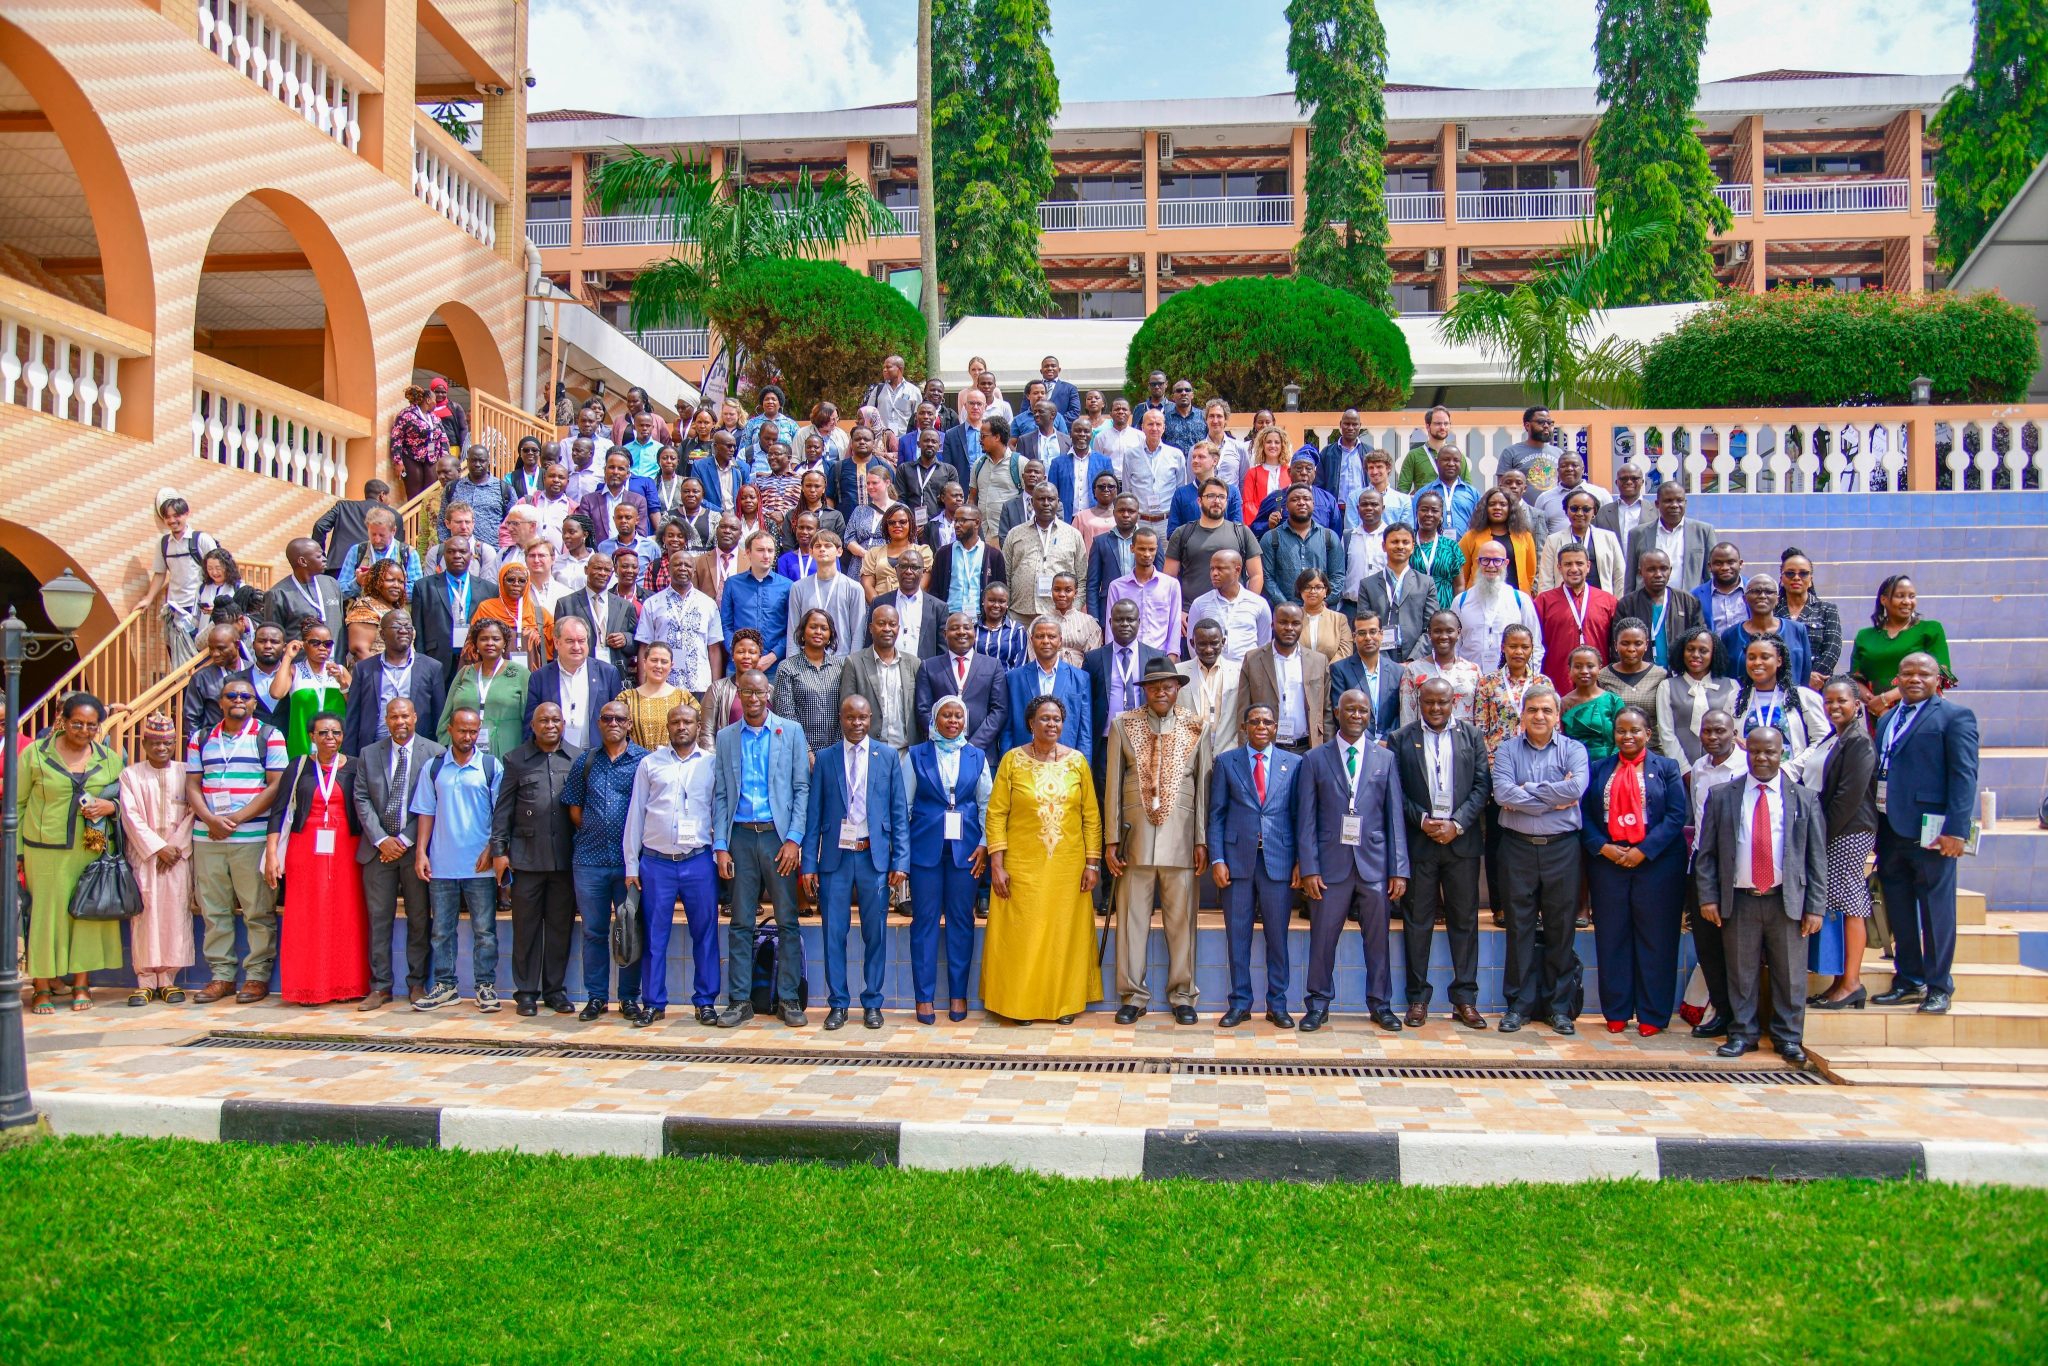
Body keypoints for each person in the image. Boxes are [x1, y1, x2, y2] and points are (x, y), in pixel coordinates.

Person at [1694, 726, 1827, 1064]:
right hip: (1740, 900)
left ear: (1782, 752)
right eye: (1756, 751)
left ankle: (1788, 1038)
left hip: (1788, 901)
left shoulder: (1804, 798)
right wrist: (1708, 897)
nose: (1762, 758)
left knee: (1791, 975)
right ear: (1746, 750)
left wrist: (1815, 907)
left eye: (1770, 751)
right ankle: (1743, 1034)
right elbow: (1706, 853)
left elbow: (1816, 858)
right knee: (1741, 972)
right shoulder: (1723, 795)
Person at [1871, 652, 1980, 1016]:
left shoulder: (1954, 717)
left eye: (1923, 673)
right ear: (1896, 680)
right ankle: (1908, 979)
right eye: (1907, 673)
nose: (1914, 678)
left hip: (1932, 831)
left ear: (1938, 680)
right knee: (1899, 908)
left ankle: (1938, 985)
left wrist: (1956, 831)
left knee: (1935, 910)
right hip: (1890, 828)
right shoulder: (1887, 719)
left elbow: (1964, 777)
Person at [1103, 659, 1211, 1025]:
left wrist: (1201, 839)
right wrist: (1111, 840)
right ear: (1144, 690)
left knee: (1182, 922)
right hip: (1135, 840)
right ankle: (1133, 995)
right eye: (1153, 686)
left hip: (1181, 840)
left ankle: (1183, 995)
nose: (1160, 692)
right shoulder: (1123, 724)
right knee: (1132, 921)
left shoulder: (1197, 726)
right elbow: (1113, 786)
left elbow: (1202, 790)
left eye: (1166, 685)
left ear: (1177, 688)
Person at [983, 696, 1103, 1024]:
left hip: (1068, 867)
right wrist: (997, 864)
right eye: (1044, 719)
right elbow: (996, 814)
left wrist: (1092, 864)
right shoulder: (1011, 761)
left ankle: (1063, 1004)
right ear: (1031, 724)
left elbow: (1091, 816)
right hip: (1022, 867)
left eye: (1056, 719)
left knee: (1063, 935)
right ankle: (1018, 1005)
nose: (1051, 724)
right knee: (1024, 935)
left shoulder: (1078, 762)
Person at [1296, 689, 1409, 1032]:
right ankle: (1317, 1004)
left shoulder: (1385, 759)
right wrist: (1310, 868)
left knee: (1377, 940)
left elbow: (1394, 819)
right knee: (1322, 938)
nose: (1357, 715)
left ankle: (1380, 1005)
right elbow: (1306, 820)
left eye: (1363, 710)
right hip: (1330, 867)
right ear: (1337, 711)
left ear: (1370, 714)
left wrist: (1399, 869)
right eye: (1350, 709)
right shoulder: (1315, 759)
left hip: (1374, 865)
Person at [799, 696, 911, 1031]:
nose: (857, 723)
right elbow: (813, 816)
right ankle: (838, 1004)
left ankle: (873, 1002)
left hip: (872, 857)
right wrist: (808, 864)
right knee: (834, 932)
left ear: (871, 718)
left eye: (862, 717)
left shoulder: (888, 757)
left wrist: (900, 860)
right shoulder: (827, 758)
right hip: (835, 858)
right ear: (841, 718)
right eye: (850, 717)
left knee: (875, 932)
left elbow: (898, 813)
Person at [1577, 706, 1687, 1035]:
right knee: (1613, 937)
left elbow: (1675, 816)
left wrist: (1643, 851)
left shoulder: (1666, 768)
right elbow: (1585, 815)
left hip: (1657, 865)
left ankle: (1653, 1014)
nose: (1628, 736)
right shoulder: (1599, 769)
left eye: (1635, 731)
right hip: (1609, 863)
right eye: (1621, 731)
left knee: (1656, 939)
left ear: (1648, 734)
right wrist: (1603, 847)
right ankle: (1617, 1010)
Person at [712, 673, 812, 1028]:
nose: (752, 698)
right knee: (740, 922)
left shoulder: (791, 732)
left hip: (777, 838)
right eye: (746, 692)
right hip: (739, 836)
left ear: (769, 694)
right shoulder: (726, 737)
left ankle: (787, 998)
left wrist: (794, 839)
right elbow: (722, 793)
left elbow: (802, 789)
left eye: (758, 691)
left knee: (787, 919)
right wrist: (721, 847)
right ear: (738, 694)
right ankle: (739, 1001)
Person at [1392, 678, 1492, 1030]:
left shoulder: (1472, 736)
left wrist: (1457, 824)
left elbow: (1483, 786)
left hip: (1460, 844)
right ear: (1419, 701)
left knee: (1464, 922)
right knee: (1417, 922)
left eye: (1442, 702)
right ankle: (1417, 998)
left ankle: (1465, 999)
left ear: (1454, 701)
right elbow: (1396, 791)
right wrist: (1421, 820)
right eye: (1429, 702)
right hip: (1420, 844)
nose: (1435, 709)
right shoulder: (1401, 739)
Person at [1491, 686, 1589, 1035]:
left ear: (1557, 715)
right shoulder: (1506, 750)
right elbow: (1502, 792)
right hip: (1517, 847)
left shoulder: (1573, 750)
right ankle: (1517, 1006)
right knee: (1519, 926)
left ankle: (1558, 1008)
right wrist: (1552, 796)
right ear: (1522, 715)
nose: (1539, 716)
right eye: (1532, 710)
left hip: (1561, 847)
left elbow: (1576, 789)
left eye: (1547, 710)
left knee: (1561, 927)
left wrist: (1525, 793)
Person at [185, 683, 287, 1006]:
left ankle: (256, 976)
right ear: (220, 702)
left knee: (258, 908)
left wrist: (238, 818)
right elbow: (192, 785)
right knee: (214, 910)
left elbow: (276, 786)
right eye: (232, 696)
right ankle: (222, 976)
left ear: (254, 703)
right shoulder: (200, 738)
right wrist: (211, 820)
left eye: (245, 696)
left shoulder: (269, 736)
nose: (238, 701)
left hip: (252, 837)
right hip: (208, 837)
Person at [622, 696, 721, 1027]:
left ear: (697, 726)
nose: (682, 727)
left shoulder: (710, 763)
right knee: (654, 935)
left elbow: (719, 811)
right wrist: (631, 865)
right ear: (667, 728)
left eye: (688, 722)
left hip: (698, 861)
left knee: (705, 933)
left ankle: (705, 1001)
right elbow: (635, 814)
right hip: (657, 863)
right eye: (676, 722)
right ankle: (653, 1002)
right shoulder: (650, 764)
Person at [263, 711, 368, 1005]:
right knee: (306, 917)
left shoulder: (356, 766)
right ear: (312, 736)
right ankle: (307, 988)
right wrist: (272, 853)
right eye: (323, 733)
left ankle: (347, 986)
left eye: (335, 732)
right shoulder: (298, 766)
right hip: (305, 849)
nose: (329, 738)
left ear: (343, 736)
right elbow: (279, 810)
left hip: (347, 850)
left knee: (347, 916)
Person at [1205, 703, 1299, 1028]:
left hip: (1278, 861)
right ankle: (1240, 1003)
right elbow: (1215, 815)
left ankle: (1278, 1004)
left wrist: (1300, 862)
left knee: (1278, 936)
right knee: (1238, 936)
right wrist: (1217, 858)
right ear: (1244, 726)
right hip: (1236, 863)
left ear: (1276, 727)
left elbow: (1300, 818)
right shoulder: (1227, 762)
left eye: (1267, 721)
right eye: (1255, 721)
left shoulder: (1294, 764)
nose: (1261, 725)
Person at [488, 700, 580, 1018]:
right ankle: (526, 992)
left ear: (563, 724)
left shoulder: (577, 758)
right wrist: (499, 852)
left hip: (565, 861)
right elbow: (502, 812)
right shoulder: (516, 760)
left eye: (556, 720)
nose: (550, 725)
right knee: (525, 929)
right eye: (544, 720)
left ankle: (555, 990)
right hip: (526, 860)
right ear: (533, 724)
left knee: (559, 929)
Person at [902, 697, 990, 1025]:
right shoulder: (915, 755)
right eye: (946, 715)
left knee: (961, 922)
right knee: (924, 922)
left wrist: (984, 843)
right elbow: (904, 807)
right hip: (925, 850)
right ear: (935, 719)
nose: (952, 721)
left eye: (958, 716)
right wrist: (904, 854)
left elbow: (987, 803)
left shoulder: (976, 756)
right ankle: (923, 998)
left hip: (965, 851)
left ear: (964, 721)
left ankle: (957, 994)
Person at [412, 707, 504, 1012]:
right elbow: (426, 812)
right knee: (441, 930)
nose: (468, 736)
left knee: (485, 931)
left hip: (480, 865)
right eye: (462, 730)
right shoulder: (434, 767)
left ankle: (485, 986)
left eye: (473, 731)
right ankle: (445, 986)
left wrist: (492, 850)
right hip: (441, 863)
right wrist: (421, 852)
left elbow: (501, 815)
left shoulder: (490, 766)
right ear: (450, 730)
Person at [561, 698, 649, 1020]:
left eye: (619, 718)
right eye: (606, 718)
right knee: (593, 931)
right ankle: (596, 997)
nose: (613, 723)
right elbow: (574, 807)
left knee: (631, 927)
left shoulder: (645, 762)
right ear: (599, 723)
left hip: (630, 865)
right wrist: (597, 829)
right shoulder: (585, 761)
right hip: (590, 860)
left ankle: (628, 997)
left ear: (629, 724)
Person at [352, 697, 440, 1010]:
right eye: (393, 717)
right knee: (379, 920)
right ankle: (381, 986)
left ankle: (417, 983)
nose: (399, 722)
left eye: (404, 716)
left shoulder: (434, 753)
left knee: (419, 918)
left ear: (415, 717)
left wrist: (403, 839)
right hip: (377, 852)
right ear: (386, 720)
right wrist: (381, 839)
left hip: (415, 850)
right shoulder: (369, 753)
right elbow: (361, 798)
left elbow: (433, 804)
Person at [1801, 678, 1879, 1012]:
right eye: (1828, 701)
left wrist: (1821, 833)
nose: (1834, 707)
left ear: (1857, 704)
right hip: (1831, 829)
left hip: (1847, 830)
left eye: (1841, 701)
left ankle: (1851, 983)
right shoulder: (1836, 736)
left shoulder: (1859, 741)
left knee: (1850, 903)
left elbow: (1849, 796)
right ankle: (1839, 982)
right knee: (1838, 901)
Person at [111, 713, 193, 1005]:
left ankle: (168, 979)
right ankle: (145, 979)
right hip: (145, 856)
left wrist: (175, 848)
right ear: (144, 743)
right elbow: (130, 817)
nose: (162, 748)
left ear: (175, 744)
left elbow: (193, 812)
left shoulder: (187, 772)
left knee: (174, 913)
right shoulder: (131, 774)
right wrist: (158, 848)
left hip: (178, 856)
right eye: (156, 743)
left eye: (168, 743)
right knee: (144, 916)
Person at [1683, 709, 1747, 1040]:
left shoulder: (1748, 767)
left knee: (1737, 947)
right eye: (1707, 731)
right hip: (1702, 864)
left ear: (1733, 732)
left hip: (1737, 868)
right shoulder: (1699, 768)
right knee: (1707, 946)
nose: (1712, 736)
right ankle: (1721, 1011)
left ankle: (1741, 1018)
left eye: (1720, 730)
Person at [343, 610, 446, 758]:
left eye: (408, 626)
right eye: (397, 626)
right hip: (373, 749)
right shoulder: (364, 669)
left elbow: (439, 717)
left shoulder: (432, 667)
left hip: (417, 751)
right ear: (382, 634)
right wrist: (350, 759)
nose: (404, 630)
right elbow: (353, 717)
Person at [1849, 575, 1954, 719]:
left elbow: (1942, 674)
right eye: (1900, 596)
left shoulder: (1930, 629)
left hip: (1921, 710)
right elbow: (1856, 678)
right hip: (1878, 713)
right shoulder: (1864, 636)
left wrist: (1886, 699)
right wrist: (1875, 705)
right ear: (1884, 600)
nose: (1907, 601)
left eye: (1912, 596)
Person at [916, 611, 1008, 763]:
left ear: (974, 632)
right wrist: (944, 741)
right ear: (945, 634)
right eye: (954, 628)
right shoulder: (929, 666)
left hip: (981, 753)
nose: (961, 632)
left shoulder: (993, 665)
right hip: (939, 754)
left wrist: (973, 746)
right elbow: (923, 709)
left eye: (967, 627)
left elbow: (999, 710)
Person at [1240, 602, 1331, 755]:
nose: (1289, 628)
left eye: (1295, 623)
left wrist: (1328, 751)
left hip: (1308, 748)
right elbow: (1243, 710)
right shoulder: (1253, 659)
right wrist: (1244, 752)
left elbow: (1326, 711)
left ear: (1302, 626)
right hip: (1267, 748)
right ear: (1272, 625)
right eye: (1283, 622)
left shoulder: (1318, 661)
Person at [636, 547, 724, 694]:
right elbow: (644, 647)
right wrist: (643, 688)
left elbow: (714, 650)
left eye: (688, 565)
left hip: (699, 685)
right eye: (677, 564)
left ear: (694, 570)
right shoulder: (653, 603)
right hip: (661, 685)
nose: (683, 568)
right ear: (669, 569)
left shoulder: (708, 604)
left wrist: (714, 690)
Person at [524, 617, 621, 750]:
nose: (576, 647)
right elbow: (531, 725)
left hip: (597, 756)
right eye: (570, 641)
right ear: (557, 643)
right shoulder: (539, 677)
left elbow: (618, 720)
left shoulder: (608, 673)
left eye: (581, 641)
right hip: (556, 756)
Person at [438, 618, 529, 759]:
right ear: (476, 644)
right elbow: (446, 717)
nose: (490, 643)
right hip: (464, 751)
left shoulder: (520, 674)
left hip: (508, 751)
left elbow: (530, 720)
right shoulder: (464, 673)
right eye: (484, 639)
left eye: (496, 639)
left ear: (504, 642)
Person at [999, 619, 1092, 755]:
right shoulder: (1013, 678)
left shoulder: (1080, 678)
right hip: (1024, 759)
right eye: (1040, 636)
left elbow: (1085, 732)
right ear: (1031, 640)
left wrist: (1084, 768)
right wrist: (1007, 762)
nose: (1046, 641)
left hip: (1065, 761)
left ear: (1060, 641)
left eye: (1051, 636)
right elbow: (1007, 729)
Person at [1450, 539, 1542, 675]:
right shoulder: (1461, 601)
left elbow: (1536, 646)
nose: (1491, 565)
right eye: (1485, 560)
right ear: (1477, 562)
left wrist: (1527, 680)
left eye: (1497, 560)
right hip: (1469, 680)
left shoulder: (1520, 600)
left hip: (1509, 682)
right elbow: (1454, 646)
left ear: (1506, 563)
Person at [1533, 544, 1616, 692]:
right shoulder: (1544, 601)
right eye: (1567, 564)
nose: (1574, 569)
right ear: (1559, 568)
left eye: (1579, 563)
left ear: (1588, 566)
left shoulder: (1608, 601)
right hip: (1556, 682)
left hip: (1598, 683)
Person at [412, 537, 497, 677]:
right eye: (451, 551)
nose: (457, 555)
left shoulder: (489, 590)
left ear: (471, 555)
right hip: (436, 660)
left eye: (462, 551)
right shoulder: (424, 587)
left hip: (476, 660)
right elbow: (418, 629)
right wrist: (421, 663)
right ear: (444, 555)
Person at [1354, 524, 1437, 663]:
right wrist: (1385, 663)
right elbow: (1365, 626)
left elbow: (1431, 628)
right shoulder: (1367, 585)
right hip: (1379, 661)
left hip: (1417, 661)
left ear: (1413, 547)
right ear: (1384, 546)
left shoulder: (1426, 583)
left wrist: (1412, 660)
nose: (1400, 546)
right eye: (1394, 542)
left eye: (1405, 542)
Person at [1732, 636, 1827, 758]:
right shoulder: (1735, 698)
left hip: (1791, 774)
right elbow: (1728, 737)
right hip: (1746, 774)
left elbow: (1823, 741)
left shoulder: (1803, 697)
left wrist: (1791, 770)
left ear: (1779, 661)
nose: (1757, 662)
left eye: (1765, 657)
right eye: (1751, 658)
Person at [1656, 626, 1737, 767]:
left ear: (1714, 654)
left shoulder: (1731, 686)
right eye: (1690, 649)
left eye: (1703, 651)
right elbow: (1666, 733)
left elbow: (1735, 731)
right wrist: (1684, 770)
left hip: (1723, 766)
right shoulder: (1667, 686)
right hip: (1680, 768)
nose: (1695, 654)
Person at [267, 621, 349, 758]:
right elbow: (277, 693)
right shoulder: (295, 670)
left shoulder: (340, 671)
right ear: (304, 645)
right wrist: (287, 657)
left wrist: (342, 683)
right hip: (302, 745)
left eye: (327, 644)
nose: (322, 648)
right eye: (315, 643)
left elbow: (354, 706)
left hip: (336, 745)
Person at [1614, 549, 1704, 672]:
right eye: (1651, 569)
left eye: (1663, 568)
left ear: (1670, 571)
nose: (1658, 574)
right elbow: (1617, 645)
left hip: (1679, 675)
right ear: (1640, 572)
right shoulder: (1627, 604)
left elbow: (1700, 640)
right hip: (1640, 677)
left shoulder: (1688, 601)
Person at [770, 610, 848, 751]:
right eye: (813, 627)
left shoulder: (840, 667)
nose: (818, 631)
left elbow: (844, 710)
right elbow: (785, 715)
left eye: (824, 628)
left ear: (830, 635)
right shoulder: (787, 668)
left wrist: (835, 750)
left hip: (835, 750)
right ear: (803, 633)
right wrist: (807, 752)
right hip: (798, 751)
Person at [789, 529, 870, 658]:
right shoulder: (798, 587)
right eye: (818, 546)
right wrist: (792, 666)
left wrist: (853, 667)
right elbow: (793, 630)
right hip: (807, 663)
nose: (822, 549)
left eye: (828, 546)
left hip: (842, 662)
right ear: (811, 552)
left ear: (839, 551)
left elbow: (858, 633)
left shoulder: (854, 588)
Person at [1623, 482, 1715, 594]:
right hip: (1648, 605)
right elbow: (1630, 577)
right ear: (1657, 504)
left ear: (1685, 503)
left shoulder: (1704, 531)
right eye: (1668, 501)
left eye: (1679, 500)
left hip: (1689, 604)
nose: (1674, 505)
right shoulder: (1638, 534)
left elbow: (1711, 575)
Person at [1185, 550, 1272, 664]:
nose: (1214, 573)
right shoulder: (1200, 604)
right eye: (1212, 569)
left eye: (1220, 568)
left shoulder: (1258, 604)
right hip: (1212, 671)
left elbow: (1264, 644)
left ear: (1237, 570)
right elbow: (1192, 644)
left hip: (1247, 672)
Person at [1400, 610, 1485, 727]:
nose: (1443, 636)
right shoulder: (1414, 670)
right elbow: (1407, 716)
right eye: (1437, 631)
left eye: (1449, 631)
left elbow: (1481, 716)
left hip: (1465, 742)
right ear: (1429, 634)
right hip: (1426, 741)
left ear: (1458, 633)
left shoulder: (1473, 670)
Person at [1775, 550, 1844, 693]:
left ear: (1811, 578)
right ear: (1781, 578)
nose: (1796, 577)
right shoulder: (1773, 611)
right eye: (1790, 573)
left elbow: (1832, 650)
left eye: (1803, 573)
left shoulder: (1827, 610)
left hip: (1817, 686)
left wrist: (1809, 678)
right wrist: (1793, 678)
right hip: (1779, 685)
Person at [1536, 489, 1625, 596]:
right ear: (1566, 511)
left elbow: (1620, 576)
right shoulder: (1553, 540)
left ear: (1594, 512)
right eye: (1574, 509)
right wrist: (1547, 606)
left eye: (1586, 509)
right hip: (1564, 604)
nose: (1579, 513)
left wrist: (1617, 605)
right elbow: (1546, 579)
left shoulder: (1608, 538)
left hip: (1601, 604)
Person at [1598, 619, 1669, 753]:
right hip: (1616, 752)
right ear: (1615, 645)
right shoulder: (1602, 676)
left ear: (1646, 644)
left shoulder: (1661, 675)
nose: (1631, 649)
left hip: (1653, 750)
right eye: (1625, 643)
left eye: (1638, 643)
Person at [1331, 611, 1404, 739]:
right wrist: (1373, 742)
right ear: (1354, 637)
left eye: (1373, 631)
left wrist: (1388, 739)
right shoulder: (1340, 670)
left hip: (1390, 746)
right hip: (1356, 743)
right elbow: (1340, 712)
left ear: (1381, 634)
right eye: (1362, 633)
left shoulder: (1398, 671)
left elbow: (1401, 712)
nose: (1368, 637)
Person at [470, 560, 555, 669]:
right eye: (510, 580)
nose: (516, 584)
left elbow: (552, 651)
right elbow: (473, 646)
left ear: (527, 583)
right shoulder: (486, 608)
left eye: (522, 581)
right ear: (501, 581)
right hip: (492, 673)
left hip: (531, 675)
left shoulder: (540, 614)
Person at [1177, 619, 1244, 756]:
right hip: (1189, 754)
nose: (1208, 649)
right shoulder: (1178, 672)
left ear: (1223, 642)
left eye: (1214, 643)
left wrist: (1234, 747)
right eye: (1202, 644)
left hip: (1228, 752)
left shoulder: (1238, 672)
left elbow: (1242, 715)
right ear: (1192, 643)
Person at [262, 537, 346, 639]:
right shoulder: (278, 594)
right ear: (302, 561)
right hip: (302, 655)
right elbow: (273, 637)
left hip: (337, 653)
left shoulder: (332, 583)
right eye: (319, 556)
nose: (325, 559)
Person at [1457, 490, 1537, 592]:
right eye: (1492, 504)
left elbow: (1530, 573)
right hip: (1478, 598)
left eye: (1503, 504)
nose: (1497, 507)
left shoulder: (1524, 536)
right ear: (1485, 508)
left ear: (1510, 508)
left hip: (1515, 599)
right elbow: (1462, 572)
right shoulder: (1471, 536)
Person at [1559, 645, 1626, 763]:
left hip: (1611, 764)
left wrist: (1612, 766)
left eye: (1590, 666)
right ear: (1569, 669)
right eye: (1578, 667)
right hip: (1575, 765)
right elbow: (1560, 740)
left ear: (1600, 668)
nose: (1584, 671)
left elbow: (1622, 736)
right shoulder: (1562, 704)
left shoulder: (1613, 701)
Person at [1531, 452, 1609, 541]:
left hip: (1593, 550)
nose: (1569, 469)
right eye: (1564, 466)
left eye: (1575, 465)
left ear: (1583, 469)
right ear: (1558, 470)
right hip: (1556, 551)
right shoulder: (1544, 498)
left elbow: (1609, 525)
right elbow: (1538, 531)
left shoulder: (1600, 494)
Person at [1083, 491, 1136, 616]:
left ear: (1138, 514)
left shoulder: (1149, 540)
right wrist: (1094, 617)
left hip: (1142, 608)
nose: (1126, 515)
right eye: (1121, 510)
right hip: (1109, 610)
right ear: (1113, 513)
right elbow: (1092, 585)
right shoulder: (1100, 542)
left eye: (1131, 511)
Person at [1408, 491, 1465, 608]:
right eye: (1424, 509)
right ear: (1416, 512)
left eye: (1434, 510)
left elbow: (1459, 585)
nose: (1429, 514)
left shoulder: (1451, 546)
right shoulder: (1407, 542)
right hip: (1412, 609)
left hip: (1444, 610)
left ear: (1441, 516)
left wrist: (1456, 613)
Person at [1399, 405, 1470, 493]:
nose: (1443, 427)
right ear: (1428, 426)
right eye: (1438, 423)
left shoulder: (1457, 456)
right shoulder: (1414, 456)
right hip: (1425, 505)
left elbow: (1467, 489)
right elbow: (1402, 491)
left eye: (1446, 423)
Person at [390, 383, 444, 499]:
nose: (436, 403)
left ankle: (426, 516)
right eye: (435, 400)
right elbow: (396, 438)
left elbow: (443, 438)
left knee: (431, 491)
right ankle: (414, 516)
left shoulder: (435, 418)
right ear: (428, 400)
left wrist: (444, 457)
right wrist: (398, 461)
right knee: (414, 491)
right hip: (411, 457)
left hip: (431, 457)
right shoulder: (406, 414)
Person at [1415, 445, 1480, 538]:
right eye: (1446, 459)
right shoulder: (1423, 493)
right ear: (1436, 462)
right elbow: (1414, 524)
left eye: (1456, 460)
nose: (1451, 464)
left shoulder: (1472, 493)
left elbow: (1480, 524)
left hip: (1465, 550)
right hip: (1433, 549)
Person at [1694, 542, 1750, 635]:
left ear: (1740, 564)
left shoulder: (1754, 590)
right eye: (1718, 563)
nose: (1725, 568)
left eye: (1730, 562)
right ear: (1709, 566)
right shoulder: (1696, 596)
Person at [974, 582, 1029, 672]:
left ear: (1007, 604)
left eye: (1001, 601)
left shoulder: (1017, 630)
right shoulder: (973, 629)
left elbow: (1020, 665)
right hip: (977, 683)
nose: (996, 605)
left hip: (1006, 682)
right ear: (983, 601)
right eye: (991, 600)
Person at [1593, 463, 1650, 545]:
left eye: (1634, 478)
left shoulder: (1655, 512)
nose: (1629, 482)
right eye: (1624, 478)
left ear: (1642, 482)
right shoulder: (1602, 512)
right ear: (1617, 482)